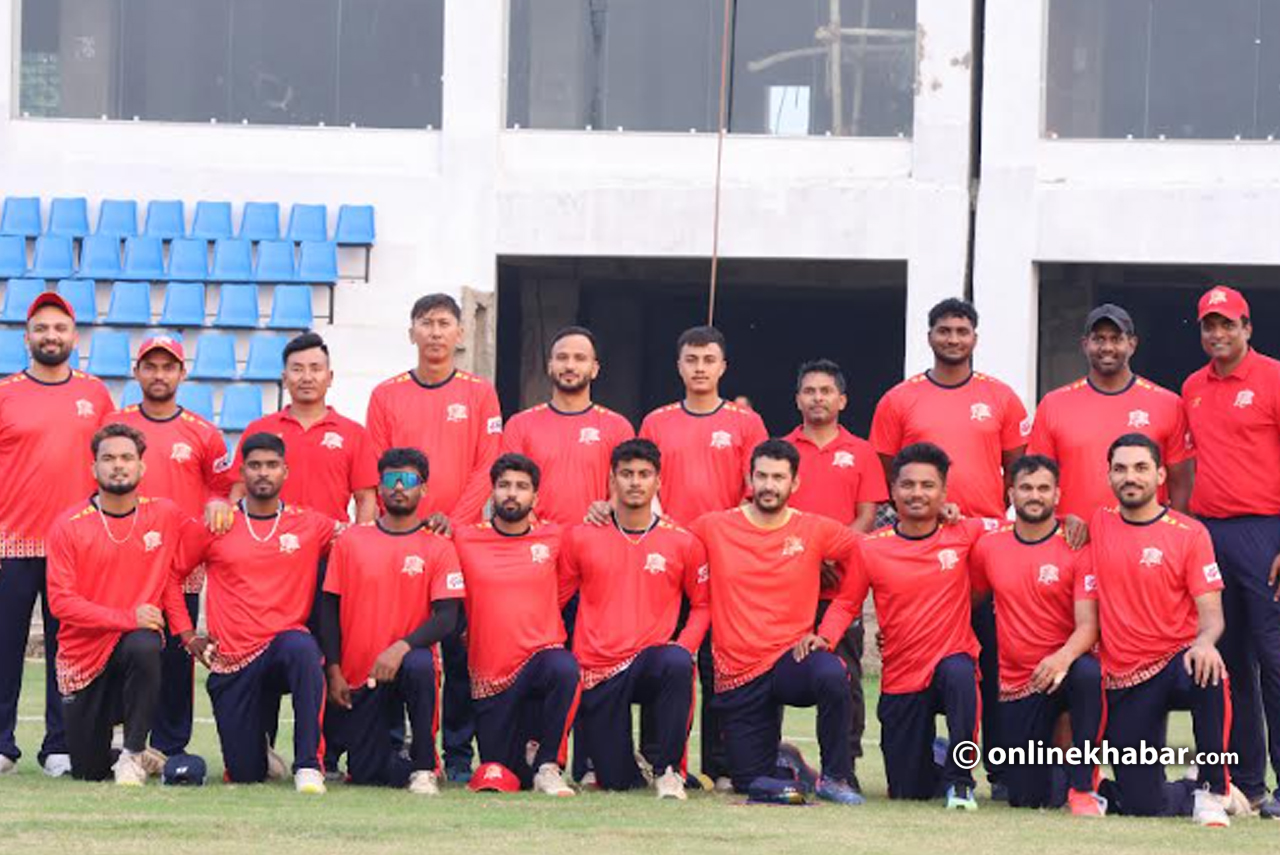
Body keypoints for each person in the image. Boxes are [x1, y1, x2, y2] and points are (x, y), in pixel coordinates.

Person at [869, 298, 1027, 798]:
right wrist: (929, 513)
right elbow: (890, 472)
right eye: (944, 330)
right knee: (926, 673)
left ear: (975, 337)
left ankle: (999, 773)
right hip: (923, 553)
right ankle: (931, 756)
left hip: (980, 550)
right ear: (929, 336)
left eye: (962, 330)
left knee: (993, 667)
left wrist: (979, 526)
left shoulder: (1001, 397)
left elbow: (1017, 472)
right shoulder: (899, 399)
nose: (953, 338)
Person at [366, 293, 503, 782]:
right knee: (396, 639)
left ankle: (459, 755)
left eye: (445, 323)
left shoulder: (479, 393)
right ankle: (392, 745)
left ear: (460, 334)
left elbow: (488, 463)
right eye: (426, 323)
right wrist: (399, 524)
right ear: (412, 333)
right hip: (400, 539)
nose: (436, 332)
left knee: (460, 647)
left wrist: (453, 520)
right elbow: (377, 468)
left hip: (458, 539)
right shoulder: (386, 394)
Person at [692, 439, 864, 805]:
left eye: (778, 478)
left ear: (794, 483)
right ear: (749, 479)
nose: (769, 485)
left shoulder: (815, 529)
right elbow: (666, 544)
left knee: (831, 672)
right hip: (738, 670)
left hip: (791, 660)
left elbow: (870, 555)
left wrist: (829, 632)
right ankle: (787, 763)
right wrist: (608, 510)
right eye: (762, 476)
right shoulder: (713, 526)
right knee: (751, 784)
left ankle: (835, 776)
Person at [170, 433, 336, 794]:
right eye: (255, 465)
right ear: (242, 472)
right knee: (246, 773)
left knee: (303, 647)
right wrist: (187, 635)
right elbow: (171, 576)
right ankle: (258, 750)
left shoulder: (309, 524)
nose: (263, 472)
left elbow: (364, 541)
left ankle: (308, 765)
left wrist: (426, 529)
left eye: (272, 465)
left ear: (285, 471)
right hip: (234, 659)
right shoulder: (218, 523)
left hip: (283, 648)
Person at [638, 325, 767, 788]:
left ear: (723, 367)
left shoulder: (745, 423)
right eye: (691, 360)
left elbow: (757, 490)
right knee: (664, 659)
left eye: (708, 360)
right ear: (678, 366)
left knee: (719, 664)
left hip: (725, 561)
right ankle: (657, 759)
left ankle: (720, 764)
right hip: (668, 559)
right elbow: (643, 487)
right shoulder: (656, 422)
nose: (699, 368)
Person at [1089, 434, 1237, 825]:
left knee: (1210, 670)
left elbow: (1212, 615)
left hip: (1177, 661)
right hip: (1125, 675)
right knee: (1143, 804)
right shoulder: (1098, 523)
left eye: (1141, 468)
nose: (1130, 477)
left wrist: (1205, 643)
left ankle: (1213, 791)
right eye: (1120, 469)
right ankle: (1189, 787)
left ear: (1160, 475)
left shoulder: (1189, 533)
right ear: (1109, 476)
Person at [0, 292, 114, 778]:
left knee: (68, 648)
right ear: (26, 337)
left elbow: (114, 464)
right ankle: (2, 745)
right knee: (4, 647)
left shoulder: (96, 394)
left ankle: (61, 745)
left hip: (76, 546)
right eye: (42, 328)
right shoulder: (6, 392)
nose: (51, 336)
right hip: (11, 542)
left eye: (60, 328)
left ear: (75, 337)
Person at [557, 439, 708, 799]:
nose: (635, 482)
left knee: (676, 663)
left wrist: (685, 647)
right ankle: (629, 767)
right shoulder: (581, 537)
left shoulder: (682, 542)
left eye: (644, 474)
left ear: (658, 482)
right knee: (616, 782)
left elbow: (703, 605)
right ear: (612, 480)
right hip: (598, 668)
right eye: (626, 474)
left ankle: (668, 770)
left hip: (650, 661)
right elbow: (556, 600)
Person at [107, 336, 233, 761]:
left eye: (167, 367)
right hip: (124, 558)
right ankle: (122, 737)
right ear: (137, 372)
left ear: (182, 372)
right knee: (125, 647)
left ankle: (171, 744)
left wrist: (217, 503)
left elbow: (221, 489)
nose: (159, 375)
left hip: (181, 564)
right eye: (150, 366)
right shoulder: (115, 425)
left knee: (178, 655)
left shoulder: (204, 432)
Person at [1181, 285, 1280, 819]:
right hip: (1210, 533)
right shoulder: (1193, 386)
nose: (1218, 334)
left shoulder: (1273, 377)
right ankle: (1246, 782)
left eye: (1227, 324)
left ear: (1247, 328)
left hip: (1265, 531)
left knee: (1274, 657)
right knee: (1230, 661)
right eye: (1209, 325)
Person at [45, 424, 191, 784]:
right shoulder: (68, 525)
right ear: (93, 468)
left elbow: (174, 574)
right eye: (108, 458)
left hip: (131, 649)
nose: (118, 465)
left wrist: (186, 632)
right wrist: (128, 616)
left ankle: (132, 753)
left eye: (127, 457)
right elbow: (61, 603)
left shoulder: (165, 515)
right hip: (83, 658)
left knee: (145, 642)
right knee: (89, 772)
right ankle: (135, 755)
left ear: (141, 467)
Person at [847, 442, 989, 809]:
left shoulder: (966, 532)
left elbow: (1021, 530)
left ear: (943, 492)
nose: (917, 493)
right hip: (902, 672)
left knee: (960, 672)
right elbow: (846, 603)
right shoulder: (871, 547)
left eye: (928, 485)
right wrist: (824, 638)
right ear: (893, 491)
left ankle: (960, 780)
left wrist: (1071, 523)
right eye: (908, 485)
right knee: (908, 791)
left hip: (950, 659)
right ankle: (937, 753)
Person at [319, 448, 465, 794]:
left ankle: (425, 767)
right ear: (380, 487)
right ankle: (397, 757)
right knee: (368, 773)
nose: (399, 487)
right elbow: (328, 609)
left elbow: (447, 618)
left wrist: (400, 647)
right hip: (362, 676)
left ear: (423, 488)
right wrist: (334, 670)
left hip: (409, 665)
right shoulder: (351, 540)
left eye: (408, 480)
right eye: (391, 479)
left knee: (420, 663)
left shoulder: (438, 546)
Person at [969, 455, 1104, 815]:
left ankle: (1083, 784)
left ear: (1057, 494)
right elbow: (968, 601)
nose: (1034, 495)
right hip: (1019, 682)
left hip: (1065, 669)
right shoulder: (989, 546)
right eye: (1026, 488)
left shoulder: (1076, 545)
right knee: (1027, 798)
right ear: (1011, 493)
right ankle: (1068, 777)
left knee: (1088, 673)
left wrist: (1061, 659)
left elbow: (1089, 625)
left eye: (1043, 488)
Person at [783, 358, 886, 793]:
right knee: (775, 666)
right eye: (809, 390)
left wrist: (831, 551)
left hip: (841, 584)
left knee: (845, 674)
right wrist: (809, 556)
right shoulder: (781, 450)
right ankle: (768, 756)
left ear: (842, 400)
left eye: (826, 391)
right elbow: (771, 511)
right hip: (787, 584)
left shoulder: (861, 451)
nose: (818, 398)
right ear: (797, 399)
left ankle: (844, 765)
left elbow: (868, 515)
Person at [453, 454, 579, 796]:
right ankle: (527, 765)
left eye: (522, 487)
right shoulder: (464, 538)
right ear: (492, 492)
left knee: (563, 667)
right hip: (490, 679)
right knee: (503, 774)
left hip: (539, 661)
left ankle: (549, 765)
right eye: (504, 485)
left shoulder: (555, 537)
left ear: (535, 497)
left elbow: (568, 583)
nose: (512, 493)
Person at [1027, 303, 1193, 520]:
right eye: (1099, 339)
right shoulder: (1054, 404)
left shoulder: (1168, 404)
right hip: (1074, 535)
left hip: (1142, 536)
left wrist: (1173, 532)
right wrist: (1057, 524)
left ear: (1132, 344)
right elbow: (1037, 480)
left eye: (1116, 339)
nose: (1107, 347)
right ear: (1085, 344)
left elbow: (1181, 483)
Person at [230, 332, 378, 525]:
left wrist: (357, 540)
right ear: (284, 378)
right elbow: (239, 491)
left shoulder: (354, 433)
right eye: (297, 369)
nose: (307, 377)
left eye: (315, 369)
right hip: (270, 539)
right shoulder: (259, 430)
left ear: (330, 377)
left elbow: (366, 498)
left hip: (330, 540)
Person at [502, 326, 634, 526]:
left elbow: (628, 486)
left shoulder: (618, 427)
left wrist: (608, 507)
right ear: (550, 366)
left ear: (594, 369)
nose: (570, 366)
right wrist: (534, 528)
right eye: (562, 358)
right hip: (536, 538)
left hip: (595, 535)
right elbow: (507, 486)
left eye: (580, 358)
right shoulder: (519, 425)